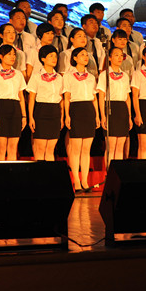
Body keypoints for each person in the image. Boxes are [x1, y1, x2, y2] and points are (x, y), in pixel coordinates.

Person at [63, 47, 100, 192]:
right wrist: (67, 115)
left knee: (86, 149)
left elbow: (94, 98)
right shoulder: (68, 75)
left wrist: (97, 116)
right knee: (76, 149)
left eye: (86, 55)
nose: (85, 57)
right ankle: (76, 181)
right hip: (76, 109)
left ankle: (84, 181)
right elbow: (67, 97)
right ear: (75, 58)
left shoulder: (91, 77)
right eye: (82, 54)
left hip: (89, 110)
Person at [0, 45, 27, 161]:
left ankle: (12, 172)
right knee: (1, 148)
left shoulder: (18, 74)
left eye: (14, 54)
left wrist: (24, 116)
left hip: (15, 108)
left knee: (13, 148)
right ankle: (1, 172)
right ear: (1, 56)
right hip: (0, 108)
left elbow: (21, 96)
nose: (12, 57)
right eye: (9, 54)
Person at [26, 45, 64, 162]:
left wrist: (62, 117)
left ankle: (49, 173)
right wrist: (31, 117)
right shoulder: (36, 76)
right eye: (50, 56)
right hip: (41, 111)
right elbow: (32, 98)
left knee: (50, 149)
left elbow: (61, 99)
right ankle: (40, 173)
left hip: (55, 112)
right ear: (43, 58)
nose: (54, 59)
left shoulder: (59, 77)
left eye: (55, 56)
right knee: (40, 149)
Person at [97, 45, 133, 165]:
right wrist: (103, 116)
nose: (119, 58)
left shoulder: (125, 76)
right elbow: (101, 96)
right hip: (110, 108)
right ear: (110, 58)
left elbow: (127, 98)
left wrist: (129, 116)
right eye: (116, 55)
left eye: (121, 55)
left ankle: (117, 172)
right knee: (111, 146)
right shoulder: (104, 75)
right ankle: (108, 172)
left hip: (122, 109)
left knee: (120, 147)